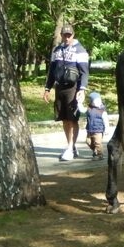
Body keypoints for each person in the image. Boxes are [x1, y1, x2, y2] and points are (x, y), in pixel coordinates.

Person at [42, 23, 90, 161]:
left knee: (72, 119)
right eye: (65, 35)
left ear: (73, 35)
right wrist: (47, 88)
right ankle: (71, 147)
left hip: (73, 88)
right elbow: (52, 71)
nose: (67, 38)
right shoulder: (56, 50)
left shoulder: (80, 50)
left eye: (69, 35)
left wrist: (82, 89)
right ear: (61, 35)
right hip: (59, 88)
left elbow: (84, 72)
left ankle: (70, 147)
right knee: (64, 119)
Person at [84, 91, 109, 160]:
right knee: (88, 141)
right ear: (91, 102)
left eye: (99, 100)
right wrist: (79, 104)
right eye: (96, 101)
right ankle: (95, 150)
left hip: (98, 130)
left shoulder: (102, 110)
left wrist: (107, 129)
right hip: (90, 130)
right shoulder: (89, 108)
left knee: (97, 143)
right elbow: (83, 110)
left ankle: (99, 155)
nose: (98, 102)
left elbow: (106, 120)